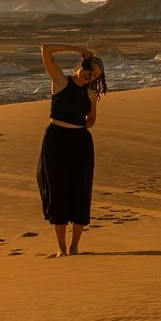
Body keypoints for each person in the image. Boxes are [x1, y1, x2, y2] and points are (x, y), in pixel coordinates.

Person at [36, 43, 106, 256]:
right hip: (56, 141)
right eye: (89, 70)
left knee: (80, 192)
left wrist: (80, 125)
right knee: (58, 191)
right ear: (81, 64)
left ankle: (75, 247)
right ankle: (61, 247)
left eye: (95, 76)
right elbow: (45, 49)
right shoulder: (60, 81)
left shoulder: (91, 94)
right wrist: (77, 48)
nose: (90, 77)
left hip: (81, 143)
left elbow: (91, 120)